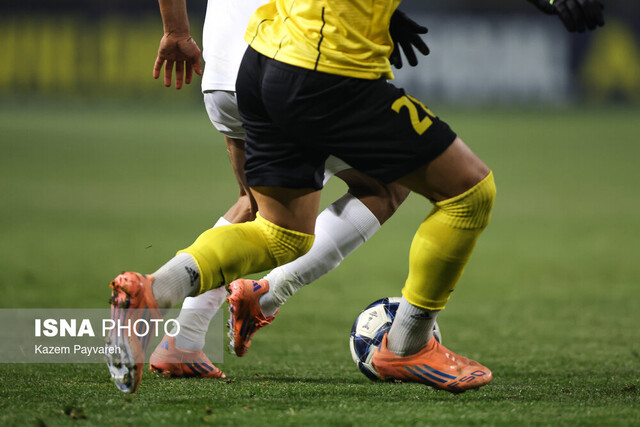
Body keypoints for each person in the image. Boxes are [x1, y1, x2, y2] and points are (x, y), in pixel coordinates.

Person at [106, 0, 604, 394]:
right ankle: (406, 345)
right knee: (468, 192)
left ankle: (153, 292)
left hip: (262, 57)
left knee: (280, 232)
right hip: (326, 73)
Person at [106, 0, 429, 390]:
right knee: (391, 180)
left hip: (223, 72)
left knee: (255, 205)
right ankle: (255, 295)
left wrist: (175, 30)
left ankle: (185, 339)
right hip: (288, 60)